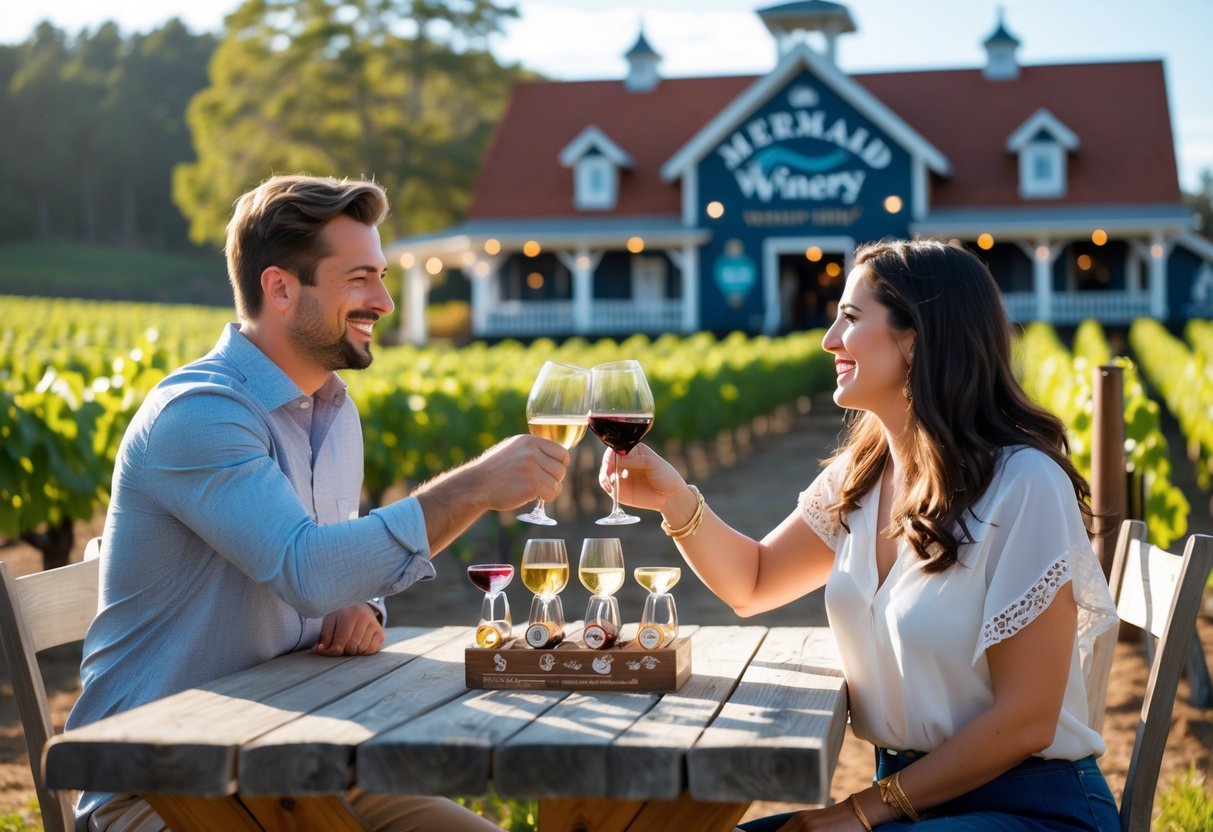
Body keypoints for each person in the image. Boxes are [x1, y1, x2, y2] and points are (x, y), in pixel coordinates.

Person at [67, 174, 570, 832]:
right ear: (280, 288)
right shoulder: (199, 415)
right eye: (360, 278)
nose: (385, 301)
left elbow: (333, 568)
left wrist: (361, 602)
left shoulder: (334, 412)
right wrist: (473, 487)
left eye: (382, 276)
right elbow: (307, 570)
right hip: (164, 789)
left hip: (295, 767)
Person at [601, 238, 1121, 831]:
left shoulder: (1022, 483)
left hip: (1029, 808)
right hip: (911, 801)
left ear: (916, 338)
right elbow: (753, 582)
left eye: (850, 318)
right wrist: (675, 500)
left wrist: (858, 813)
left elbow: (1027, 719)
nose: (828, 340)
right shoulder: (863, 474)